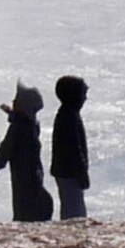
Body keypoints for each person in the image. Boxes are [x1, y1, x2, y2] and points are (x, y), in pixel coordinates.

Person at [0, 82, 54, 222]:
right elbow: (24, 121)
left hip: (24, 182)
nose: (13, 101)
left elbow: (5, 150)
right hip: (35, 180)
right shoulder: (31, 125)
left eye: (17, 100)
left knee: (23, 213)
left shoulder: (18, 128)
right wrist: (12, 113)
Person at [51, 75, 93, 222]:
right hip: (70, 173)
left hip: (66, 171)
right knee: (75, 211)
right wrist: (82, 173)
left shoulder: (66, 114)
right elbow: (74, 148)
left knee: (71, 206)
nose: (85, 99)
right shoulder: (69, 117)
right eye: (83, 94)